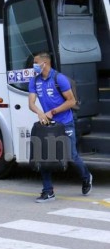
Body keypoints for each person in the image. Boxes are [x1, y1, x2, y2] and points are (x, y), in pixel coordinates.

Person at [28, 51, 93, 202]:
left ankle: (86, 176)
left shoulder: (59, 79)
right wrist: (40, 112)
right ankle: (48, 191)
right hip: (48, 124)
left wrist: (53, 111)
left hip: (64, 122)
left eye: (36, 63)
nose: (34, 66)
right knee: (44, 155)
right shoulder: (34, 80)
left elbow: (71, 101)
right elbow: (31, 103)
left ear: (45, 63)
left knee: (71, 155)